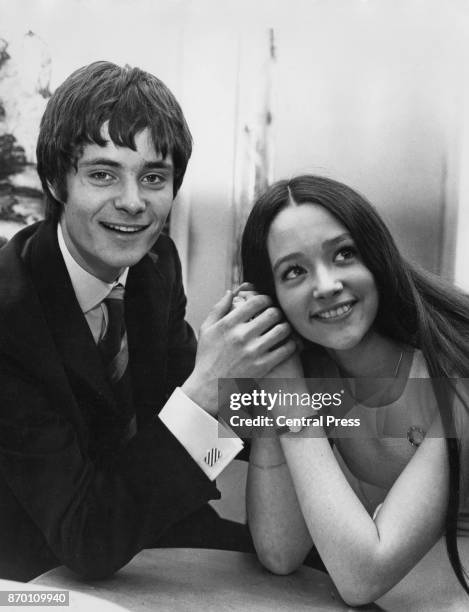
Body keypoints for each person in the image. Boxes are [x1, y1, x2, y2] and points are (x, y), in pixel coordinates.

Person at [0, 61, 296, 582]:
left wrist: (339, 415)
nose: (134, 202)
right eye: (102, 173)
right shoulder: (9, 316)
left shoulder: (156, 263)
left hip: (148, 523)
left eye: (153, 177)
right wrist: (208, 390)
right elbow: (86, 536)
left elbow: (183, 408)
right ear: (55, 181)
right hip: (38, 565)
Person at [240, 174, 469, 606]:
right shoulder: (305, 380)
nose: (326, 285)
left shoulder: (455, 371)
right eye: (294, 272)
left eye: (344, 254)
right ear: (271, 299)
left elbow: (361, 577)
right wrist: (279, 380)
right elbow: (280, 551)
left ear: (377, 257)